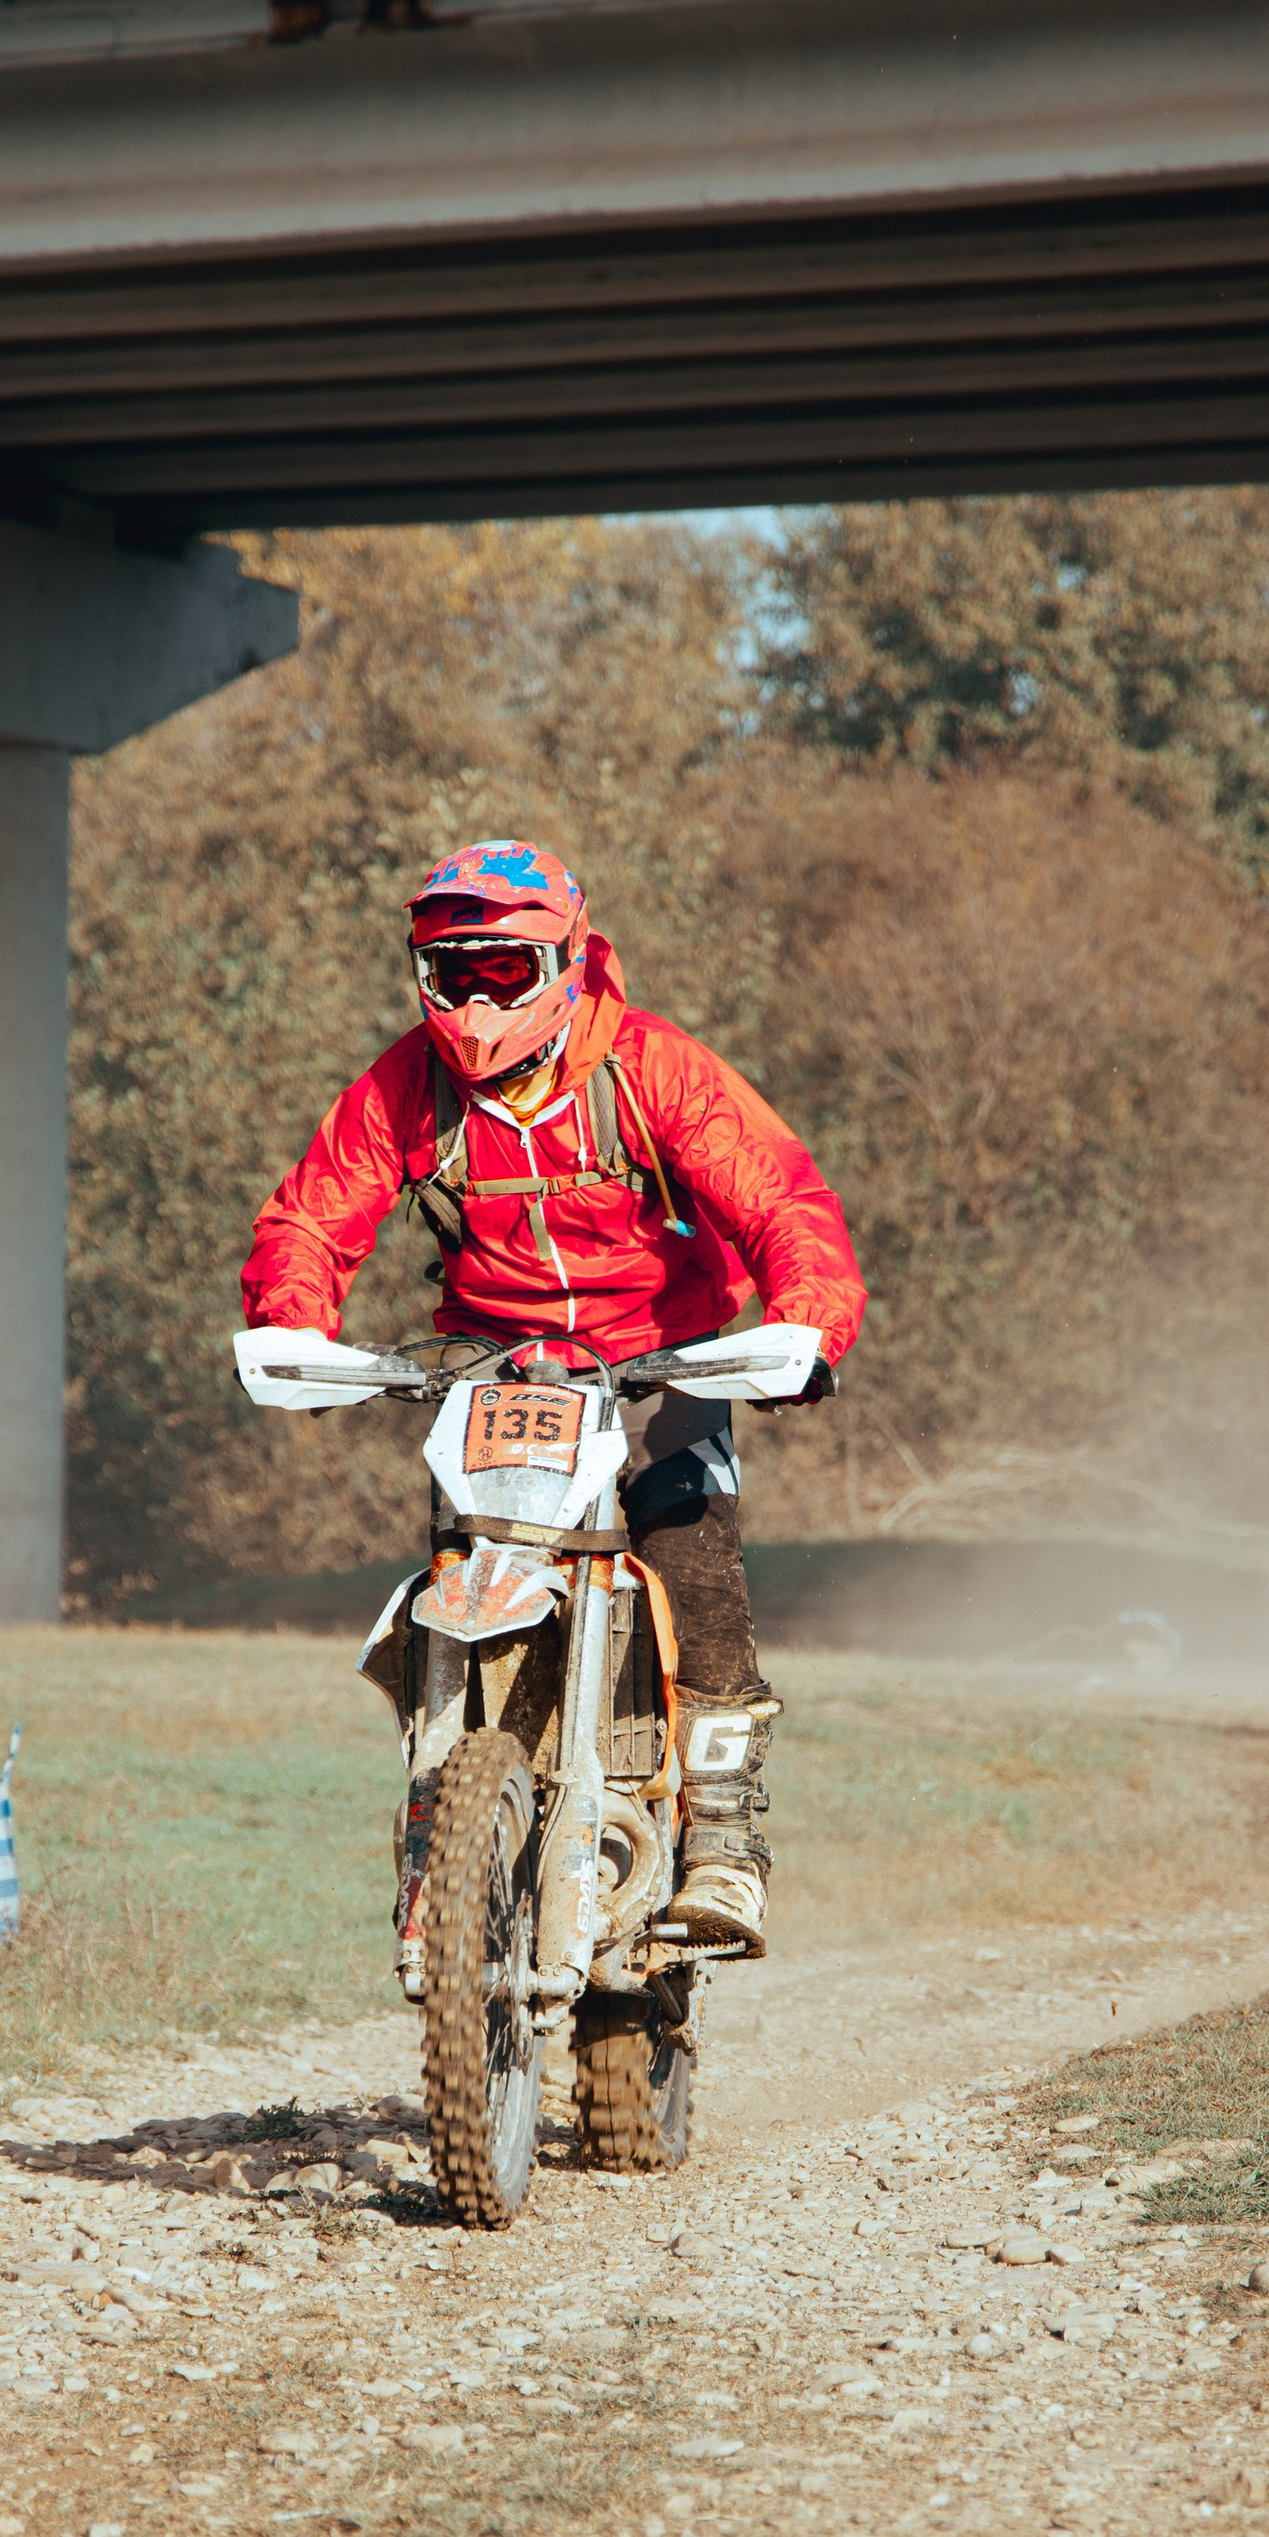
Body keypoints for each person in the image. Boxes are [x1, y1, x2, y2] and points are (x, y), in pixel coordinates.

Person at [241, 838, 866, 1956]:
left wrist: (809, 1320)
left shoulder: (652, 1069)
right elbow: (311, 1216)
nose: (476, 1004)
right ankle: (446, 1829)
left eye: (504, 975)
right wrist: (292, 1324)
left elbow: (782, 1200)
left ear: (566, 965)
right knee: (463, 1564)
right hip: (493, 1368)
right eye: (453, 975)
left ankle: (723, 1842)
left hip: (657, 1356)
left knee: (690, 1553)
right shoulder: (407, 1087)